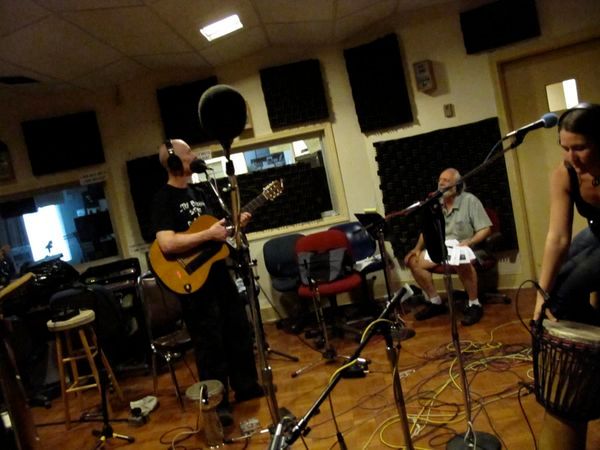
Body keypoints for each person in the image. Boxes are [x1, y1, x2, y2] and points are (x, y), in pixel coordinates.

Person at [151, 139, 263, 426]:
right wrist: (207, 235)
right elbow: (167, 244)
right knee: (209, 342)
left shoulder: (202, 190)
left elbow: (220, 231)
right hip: (192, 279)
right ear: (174, 161)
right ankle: (217, 402)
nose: (194, 155)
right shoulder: (163, 198)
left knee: (238, 328)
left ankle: (246, 386)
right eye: (188, 152)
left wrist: (236, 223)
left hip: (218, 272)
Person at [533, 103, 600, 325]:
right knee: (553, 290)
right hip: (596, 230)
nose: (572, 157)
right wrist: (540, 295)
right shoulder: (565, 173)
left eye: (580, 148)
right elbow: (558, 238)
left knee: (563, 294)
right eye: (565, 148)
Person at [404, 168, 492, 326]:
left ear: (457, 184)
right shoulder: (435, 204)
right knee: (412, 261)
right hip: (444, 248)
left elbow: (486, 229)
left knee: (460, 259)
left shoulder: (470, 200)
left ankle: (474, 304)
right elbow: (427, 231)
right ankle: (435, 302)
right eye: (440, 180)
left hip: (468, 246)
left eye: (446, 180)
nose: (441, 183)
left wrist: (469, 241)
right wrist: (417, 249)